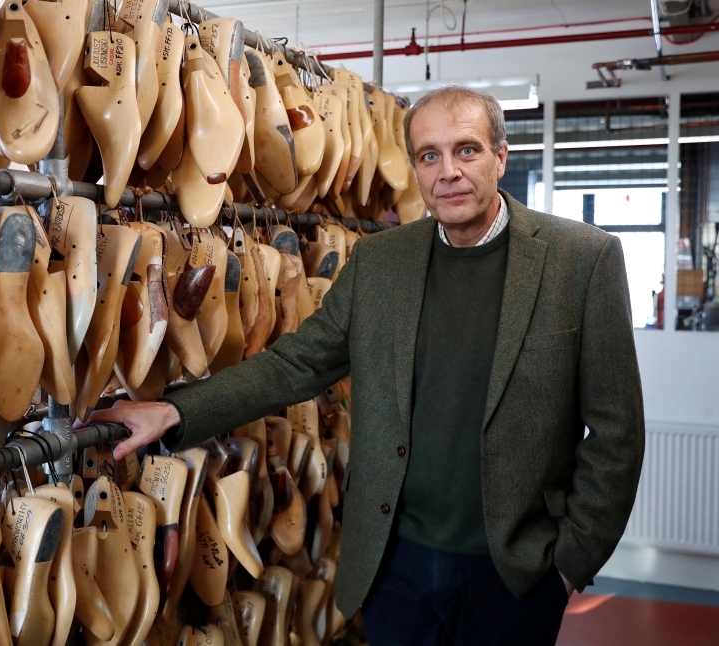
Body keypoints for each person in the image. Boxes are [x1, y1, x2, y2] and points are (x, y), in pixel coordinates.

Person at [82, 85, 645, 645]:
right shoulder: (381, 261)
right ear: (416, 169)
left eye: (466, 150)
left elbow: (617, 430)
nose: (447, 171)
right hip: (395, 569)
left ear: (501, 157)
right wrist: (175, 411)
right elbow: (296, 364)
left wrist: (570, 562)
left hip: (517, 572)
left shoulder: (581, 260)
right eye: (429, 155)